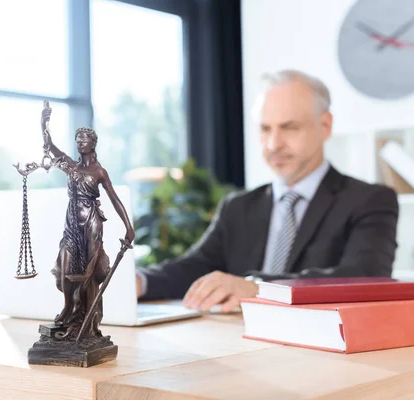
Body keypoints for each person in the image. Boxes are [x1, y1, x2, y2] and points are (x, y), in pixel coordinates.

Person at [136, 69, 399, 312]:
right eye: (265, 129)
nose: (273, 144)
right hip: (238, 344)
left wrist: (257, 287)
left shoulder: (370, 200)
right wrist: (139, 282)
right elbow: (194, 267)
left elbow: (365, 276)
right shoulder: (237, 206)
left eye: (289, 127)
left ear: (325, 126)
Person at [41, 102, 135, 339]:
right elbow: (50, 147)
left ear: (93, 144)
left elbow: (114, 200)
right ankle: (69, 310)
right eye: (78, 140)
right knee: (64, 264)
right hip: (72, 224)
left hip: (92, 224)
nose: (80, 143)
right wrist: (44, 123)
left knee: (88, 273)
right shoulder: (71, 166)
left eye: (84, 140)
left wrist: (128, 227)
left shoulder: (99, 172)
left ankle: (87, 320)